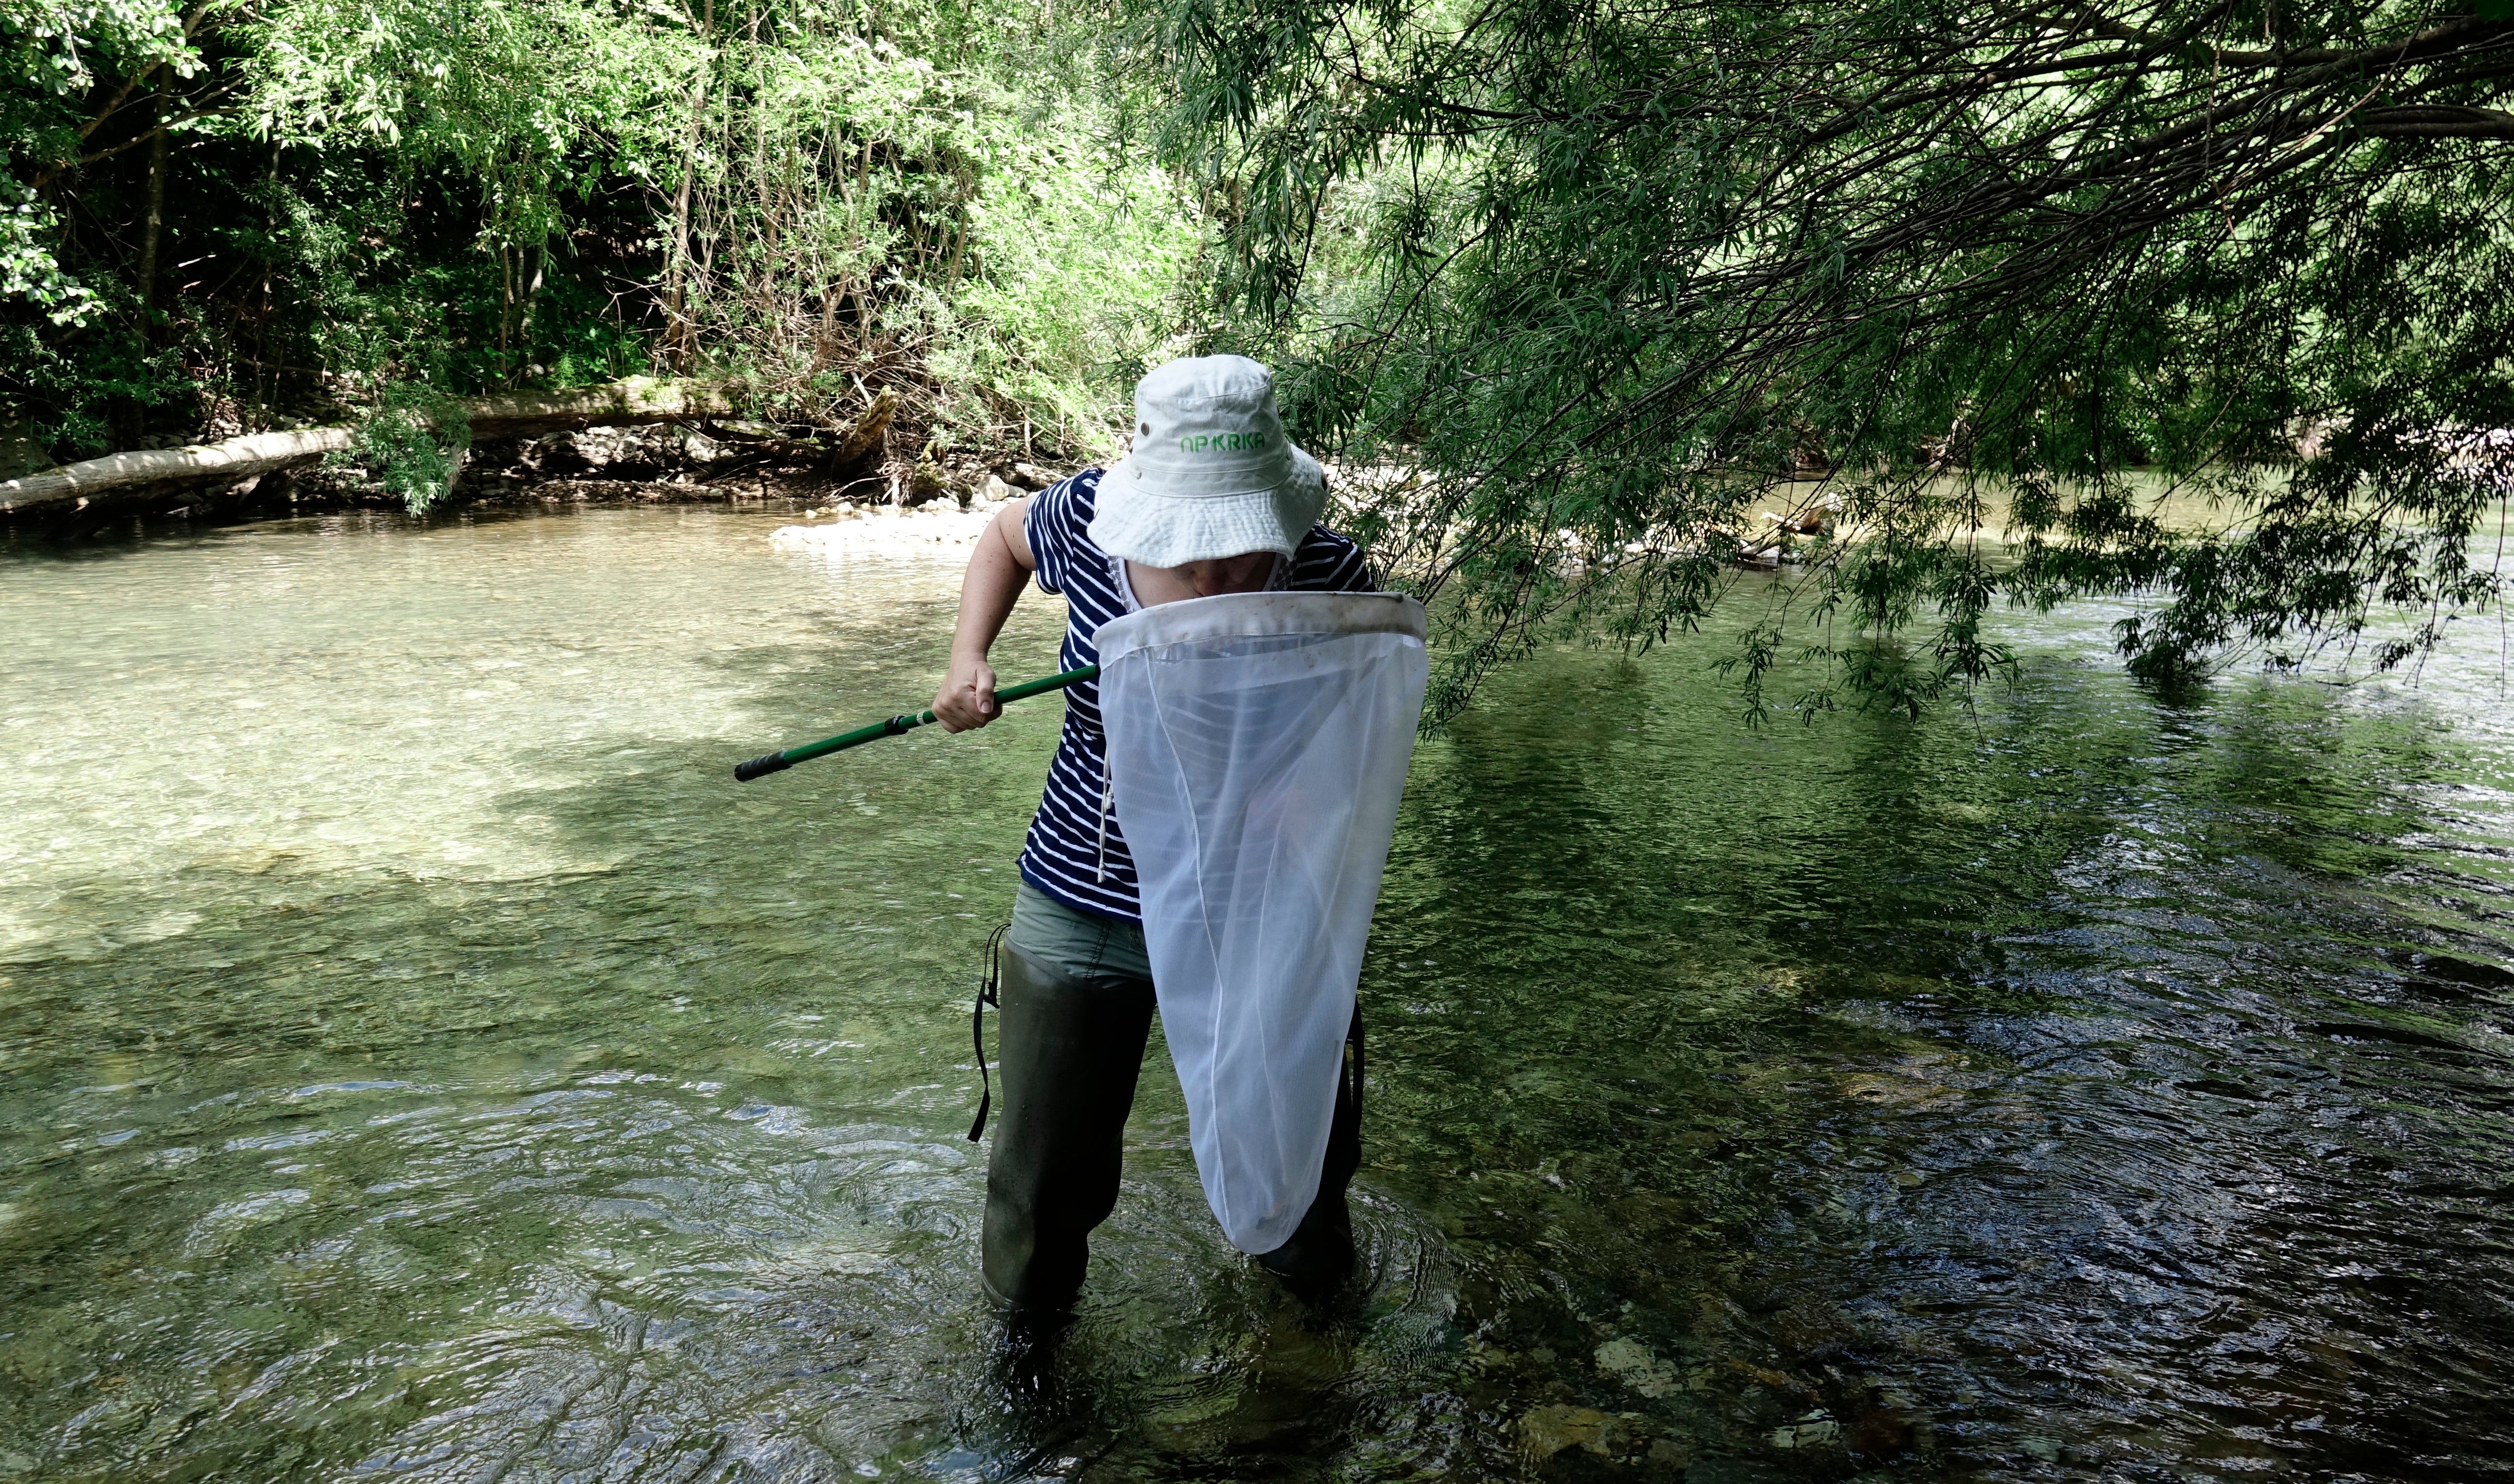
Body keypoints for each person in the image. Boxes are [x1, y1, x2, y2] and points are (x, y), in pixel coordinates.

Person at [931, 354, 1375, 1315]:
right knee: (1045, 1183)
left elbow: (1348, 737)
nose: (1214, 570)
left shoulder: (1330, 572)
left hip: (1260, 908)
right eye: (1191, 547)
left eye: (1237, 545)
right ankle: (1028, 1370)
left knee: (1295, 1175)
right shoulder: (1086, 521)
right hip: (1082, 897)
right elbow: (1002, 541)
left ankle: (1315, 1375)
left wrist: (1299, 794)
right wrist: (969, 660)